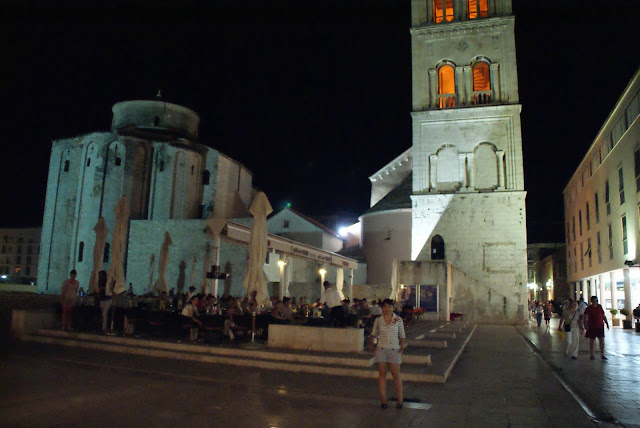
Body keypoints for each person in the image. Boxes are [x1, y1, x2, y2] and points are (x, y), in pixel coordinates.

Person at [369, 299, 405, 409]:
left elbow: (402, 333)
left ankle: (400, 399)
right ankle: (383, 399)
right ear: (382, 308)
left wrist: (402, 345)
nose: (387, 308)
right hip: (382, 349)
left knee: (396, 375)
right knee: (382, 374)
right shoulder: (378, 320)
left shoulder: (398, 320)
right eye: (384, 306)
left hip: (394, 349)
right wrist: (371, 343)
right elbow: (374, 332)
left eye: (389, 306)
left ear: (393, 307)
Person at [583, 296, 610, 360]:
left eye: (596, 300)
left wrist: (606, 323)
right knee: (592, 341)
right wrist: (585, 325)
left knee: (601, 340)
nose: (596, 302)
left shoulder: (599, 307)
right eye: (595, 300)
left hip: (600, 326)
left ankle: (602, 354)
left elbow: (603, 315)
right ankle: (592, 354)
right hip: (592, 326)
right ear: (592, 301)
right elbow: (585, 317)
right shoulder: (588, 308)